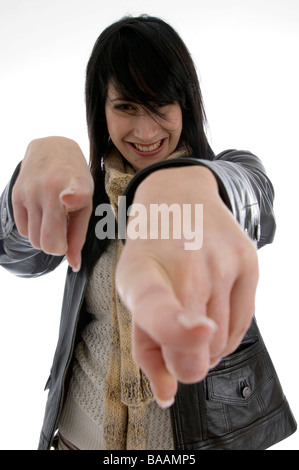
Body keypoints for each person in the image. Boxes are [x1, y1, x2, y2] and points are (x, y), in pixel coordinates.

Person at [0, 15, 296, 450]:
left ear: (187, 105)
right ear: (101, 111)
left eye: (161, 105)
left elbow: (254, 198)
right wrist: (22, 188)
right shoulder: (83, 197)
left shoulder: (226, 172)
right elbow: (17, 255)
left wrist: (198, 186)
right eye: (126, 107)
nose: (145, 130)